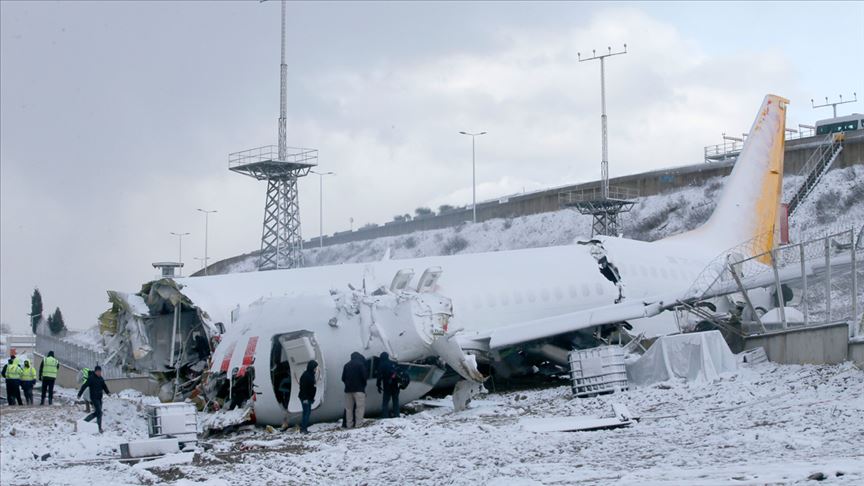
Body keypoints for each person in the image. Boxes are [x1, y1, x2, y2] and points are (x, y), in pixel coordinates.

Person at [77, 365, 110, 433]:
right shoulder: (91, 378)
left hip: (99, 397)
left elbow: (104, 386)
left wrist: (108, 392)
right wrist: (79, 394)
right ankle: (98, 427)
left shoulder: (101, 378)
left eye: (100, 371)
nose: (99, 373)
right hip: (94, 398)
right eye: (98, 371)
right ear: (95, 371)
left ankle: (85, 422)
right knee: (99, 412)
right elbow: (84, 386)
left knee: (98, 413)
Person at [341, 352, 367, 428]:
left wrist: (348, 383)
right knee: (359, 408)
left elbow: (343, 378)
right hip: (359, 390)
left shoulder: (346, 365)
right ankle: (358, 425)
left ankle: (349, 425)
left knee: (349, 408)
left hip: (348, 390)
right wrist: (363, 385)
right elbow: (364, 377)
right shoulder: (360, 365)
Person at [375, 352, 401, 418]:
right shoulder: (393, 363)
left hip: (387, 386)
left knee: (385, 402)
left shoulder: (382, 364)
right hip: (395, 385)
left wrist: (378, 385)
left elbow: (379, 376)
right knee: (395, 401)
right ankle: (397, 414)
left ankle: (385, 416)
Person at [298, 360, 318, 433]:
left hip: (308, 397)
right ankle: (303, 429)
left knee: (307, 413)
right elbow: (303, 388)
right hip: (305, 398)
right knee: (306, 413)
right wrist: (305, 398)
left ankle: (304, 428)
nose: (316, 369)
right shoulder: (306, 375)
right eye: (315, 367)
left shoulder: (311, 374)